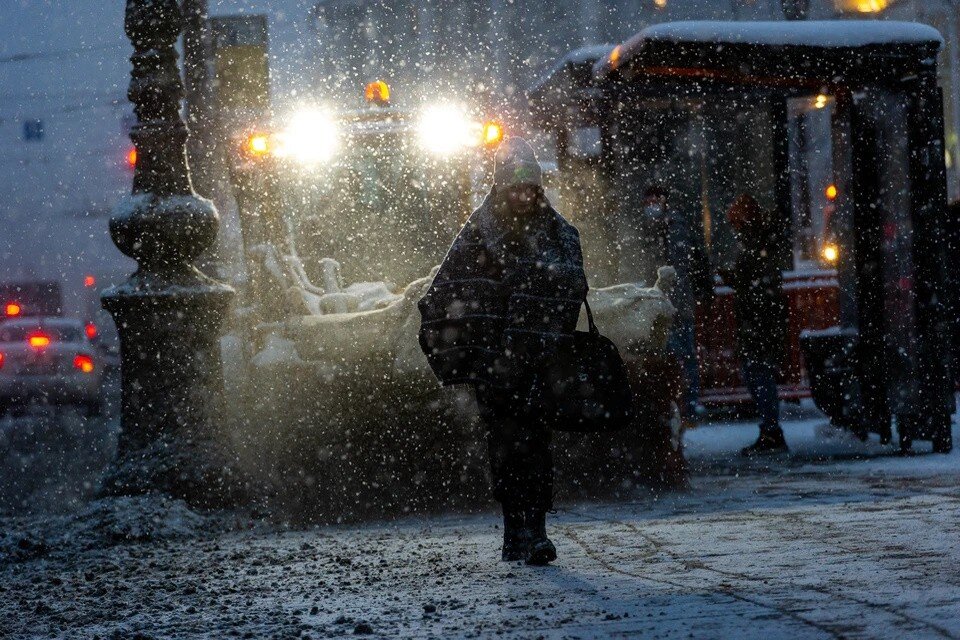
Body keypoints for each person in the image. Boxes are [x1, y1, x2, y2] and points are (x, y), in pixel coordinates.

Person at [418, 137, 587, 565]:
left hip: (539, 357)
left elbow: (571, 282)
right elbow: (451, 287)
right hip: (495, 362)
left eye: (529, 187)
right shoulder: (479, 232)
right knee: (509, 445)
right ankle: (518, 530)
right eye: (515, 187)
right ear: (500, 186)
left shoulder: (558, 232)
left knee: (534, 443)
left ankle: (534, 530)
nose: (523, 195)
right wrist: (468, 341)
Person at [719, 194, 789, 455]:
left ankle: (771, 431)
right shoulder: (761, 239)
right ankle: (770, 430)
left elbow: (754, 280)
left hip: (758, 319)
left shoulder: (754, 243)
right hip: (761, 317)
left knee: (758, 374)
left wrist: (734, 279)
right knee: (758, 373)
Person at [639, 185, 712, 424]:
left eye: (654, 201)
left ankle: (684, 408)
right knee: (678, 356)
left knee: (678, 356)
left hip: (673, 304)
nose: (651, 206)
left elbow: (672, 264)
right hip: (669, 303)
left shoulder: (672, 227)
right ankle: (680, 407)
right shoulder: (661, 227)